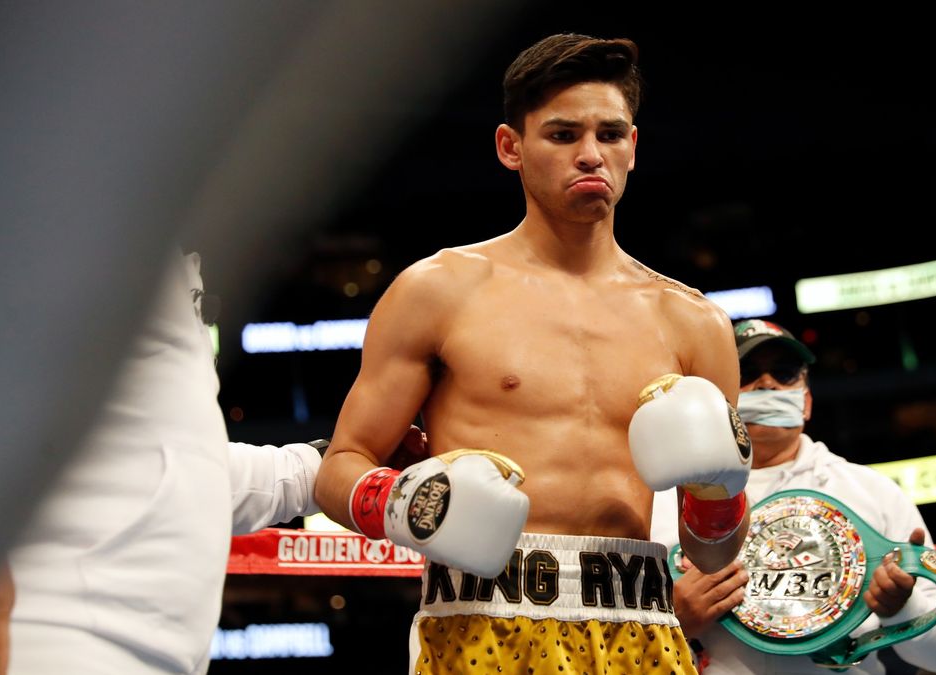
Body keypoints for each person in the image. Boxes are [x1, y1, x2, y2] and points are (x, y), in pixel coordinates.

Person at [314, 33, 751, 675]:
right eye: (562, 135)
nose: (590, 155)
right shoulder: (439, 291)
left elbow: (713, 555)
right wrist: (411, 503)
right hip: (481, 623)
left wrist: (720, 497)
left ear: (634, 146)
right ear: (510, 147)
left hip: (642, 629)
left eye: (610, 134)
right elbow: (339, 468)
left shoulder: (698, 323)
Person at [3, 251, 327, 674]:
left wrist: (317, 471)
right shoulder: (57, 215)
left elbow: (165, 459)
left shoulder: (153, 234)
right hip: (52, 645)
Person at [652, 319, 936, 674]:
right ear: (717, 396)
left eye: (784, 373)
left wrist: (902, 608)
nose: (767, 382)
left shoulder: (872, 493)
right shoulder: (666, 503)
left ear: (806, 402)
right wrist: (669, 621)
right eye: (747, 372)